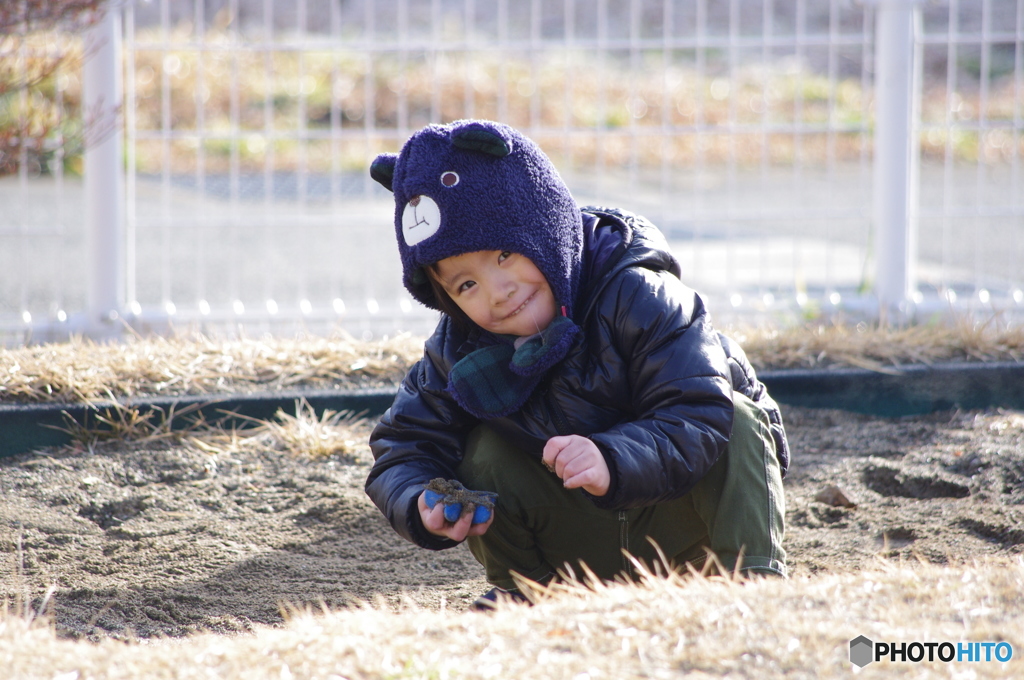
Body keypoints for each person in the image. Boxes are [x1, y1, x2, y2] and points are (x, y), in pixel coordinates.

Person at [364, 119, 790, 609]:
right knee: (480, 450)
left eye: (504, 254)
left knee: (737, 418)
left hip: (688, 535)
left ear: (543, 225)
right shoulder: (460, 350)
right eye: (466, 286)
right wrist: (422, 501)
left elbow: (697, 412)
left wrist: (611, 457)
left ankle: (753, 590)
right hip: (576, 548)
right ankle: (531, 594)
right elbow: (401, 446)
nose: (497, 293)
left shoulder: (640, 294)